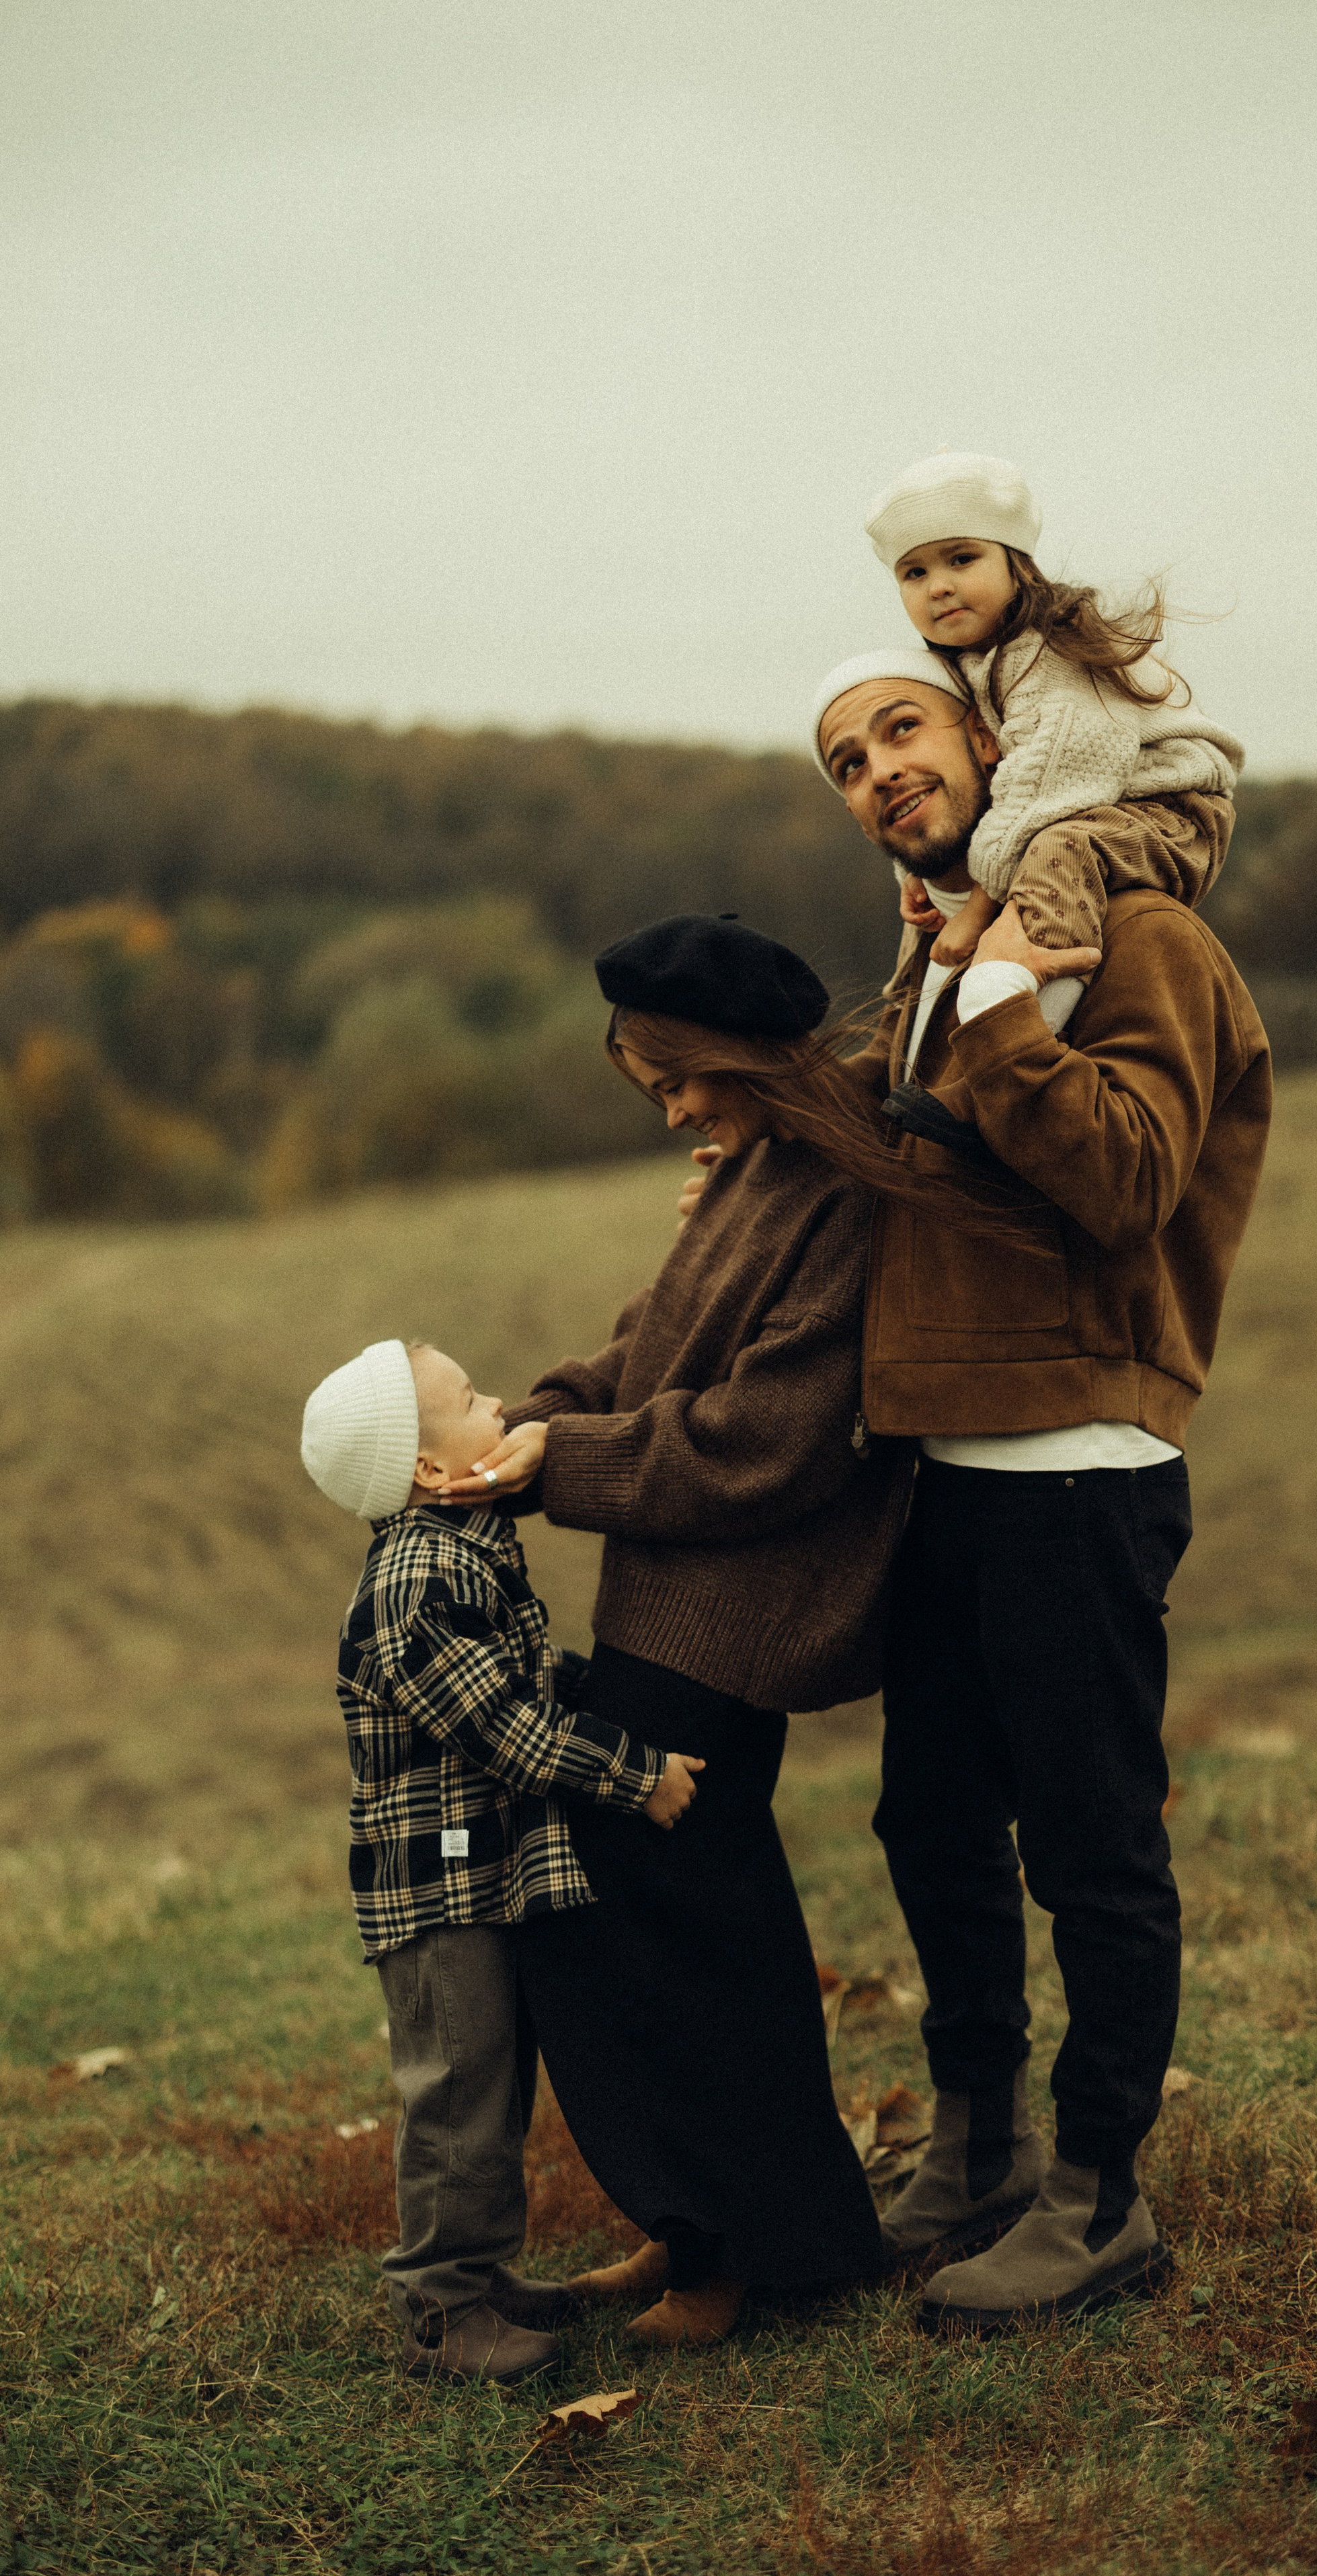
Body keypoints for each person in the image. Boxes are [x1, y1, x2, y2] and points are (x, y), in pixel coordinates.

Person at [806, 646, 1273, 2335]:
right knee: (928, 1821)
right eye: (846, 760)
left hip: (1076, 1464)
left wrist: (1004, 1004)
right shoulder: (939, 958)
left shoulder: (1139, 940)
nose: (875, 771)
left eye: (901, 729)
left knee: (1087, 1849)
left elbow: (1128, 1177)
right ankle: (978, 2145)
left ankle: (1097, 2195)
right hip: (945, 1462)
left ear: (995, 743)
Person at [439, 915, 922, 2349]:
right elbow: (643, 1355)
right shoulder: (746, 1178)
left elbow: (764, 1442)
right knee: (645, 1930)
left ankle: (757, 2257)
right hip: (666, 1606)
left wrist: (553, 1467)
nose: (673, 1115)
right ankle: (708, 2230)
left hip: (732, 1619)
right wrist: (520, 1424)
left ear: (731, 1055)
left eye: (676, 1083)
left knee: (690, 1949)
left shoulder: (838, 1191)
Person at [300, 1337, 701, 2384]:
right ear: (430, 1471)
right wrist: (633, 1769)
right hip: (436, 1890)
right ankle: (439, 2313)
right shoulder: (417, 1578)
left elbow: (528, 1672)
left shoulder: (464, 1550)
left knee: (491, 2089)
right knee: (455, 2096)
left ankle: (476, 2274)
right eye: (475, 1401)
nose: (500, 1407)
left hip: (475, 1874)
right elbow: (506, 1726)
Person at [859, 449, 1244, 1016]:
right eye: (915, 573)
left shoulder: (1050, 649)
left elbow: (1052, 788)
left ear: (1018, 562)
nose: (938, 586)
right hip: (1088, 808)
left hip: (1170, 810)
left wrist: (977, 911)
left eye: (961, 559)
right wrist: (918, 872)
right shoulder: (968, 667)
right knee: (971, 866)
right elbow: (974, 780)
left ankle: (1034, 1014)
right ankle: (912, 1012)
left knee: (1058, 850)